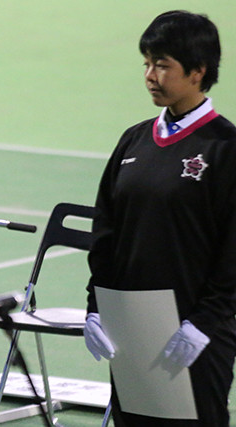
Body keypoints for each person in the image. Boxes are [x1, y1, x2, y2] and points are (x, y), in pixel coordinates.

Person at [84, 10, 236, 426]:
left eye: (163, 65)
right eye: (147, 64)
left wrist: (203, 323)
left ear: (198, 71)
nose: (151, 76)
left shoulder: (226, 149)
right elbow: (106, 233)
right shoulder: (133, 141)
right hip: (131, 333)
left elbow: (233, 252)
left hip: (196, 336)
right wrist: (96, 306)